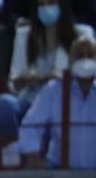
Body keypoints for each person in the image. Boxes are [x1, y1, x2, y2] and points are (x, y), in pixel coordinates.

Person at [0, 0, 92, 138]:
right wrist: (28, 79)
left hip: (62, 101)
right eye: (41, 4)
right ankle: (18, 152)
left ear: (62, 5)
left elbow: (88, 75)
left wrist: (60, 78)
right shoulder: (24, 35)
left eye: (51, 2)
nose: (46, 8)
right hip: (29, 100)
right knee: (4, 104)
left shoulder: (81, 34)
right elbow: (14, 82)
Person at [18, 35, 96, 169]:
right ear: (70, 60)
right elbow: (30, 125)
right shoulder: (54, 90)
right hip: (59, 167)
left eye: (90, 55)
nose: (85, 59)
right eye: (80, 55)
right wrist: (33, 155)